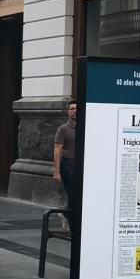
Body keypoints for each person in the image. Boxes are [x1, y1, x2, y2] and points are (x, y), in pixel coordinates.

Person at [53, 100, 78, 234]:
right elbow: (57, 151)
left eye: (76, 108)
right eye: (72, 109)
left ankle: (66, 215)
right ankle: (71, 221)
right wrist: (56, 171)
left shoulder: (86, 127)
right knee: (73, 193)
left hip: (80, 165)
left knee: (76, 194)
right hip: (67, 164)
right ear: (68, 112)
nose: (74, 111)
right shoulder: (63, 129)